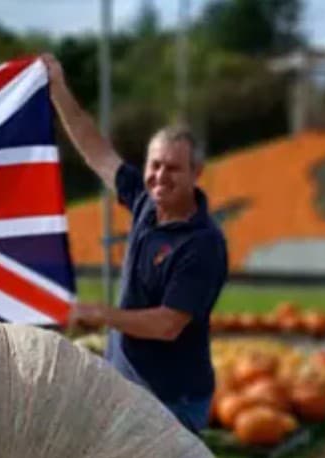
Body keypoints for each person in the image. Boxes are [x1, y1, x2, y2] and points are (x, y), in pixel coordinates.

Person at [42, 54, 228, 434]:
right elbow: (94, 148)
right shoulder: (145, 201)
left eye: (173, 168)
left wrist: (103, 315)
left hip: (172, 402)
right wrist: (58, 89)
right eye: (154, 165)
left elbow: (167, 325)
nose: (159, 176)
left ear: (196, 173)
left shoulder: (202, 244)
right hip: (128, 390)